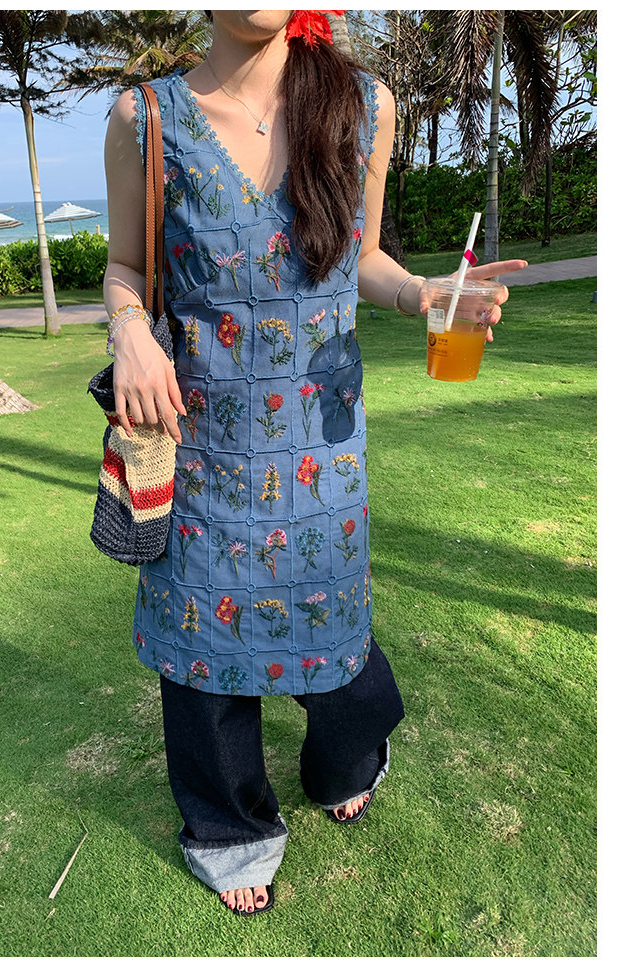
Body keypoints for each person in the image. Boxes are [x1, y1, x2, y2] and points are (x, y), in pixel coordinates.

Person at [102, 9, 526, 916]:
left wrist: (422, 291)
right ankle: (229, 828)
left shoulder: (365, 104)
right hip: (201, 445)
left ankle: (348, 757)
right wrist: (129, 330)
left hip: (319, 453)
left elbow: (361, 257)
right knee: (204, 654)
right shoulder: (146, 118)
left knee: (334, 641)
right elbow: (126, 269)